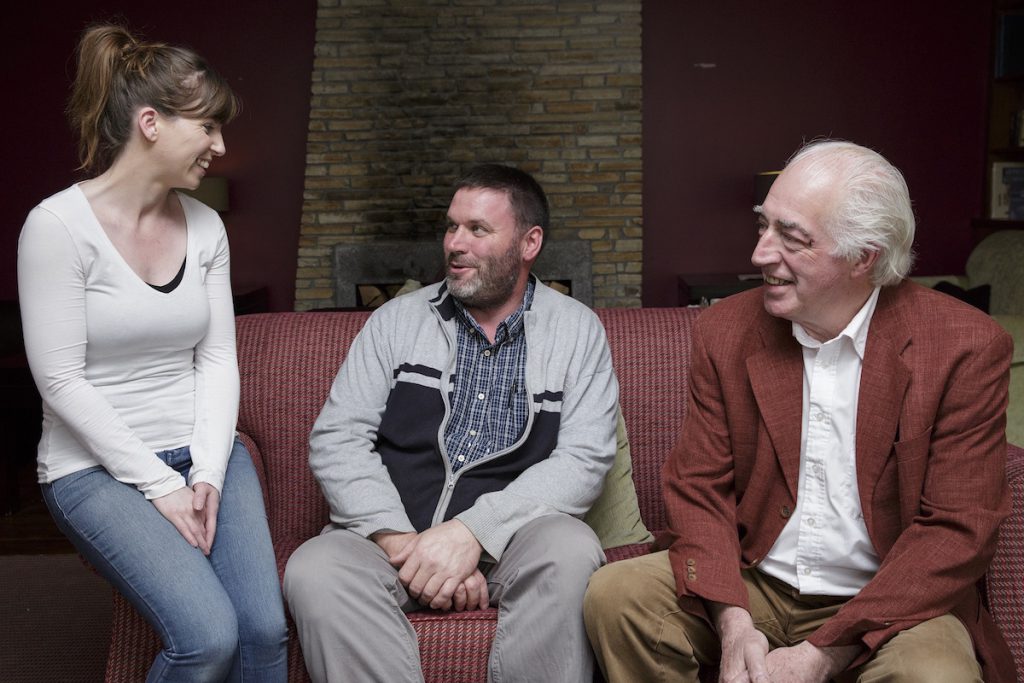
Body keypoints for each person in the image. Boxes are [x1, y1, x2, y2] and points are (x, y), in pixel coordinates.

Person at [584, 140, 1017, 683]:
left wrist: (821, 654)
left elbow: (957, 529)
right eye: (763, 226)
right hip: (754, 578)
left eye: (792, 237)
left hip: (890, 598)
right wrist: (733, 622)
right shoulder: (726, 330)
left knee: (935, 674)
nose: (760, 254)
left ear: (865, 256)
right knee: (617, 595)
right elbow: (698, 488)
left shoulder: (965, 346)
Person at [17, 24, 287, 681]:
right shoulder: (56, 227)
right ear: (150, 124)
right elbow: (60, 380)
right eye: (208, 128)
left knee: (264, 631)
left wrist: (208, 472)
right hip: (92, 469)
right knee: (207, 637)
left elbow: (217, 360)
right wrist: (162, 485)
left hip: (203, 453)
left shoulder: (206, 226)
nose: (220, 147)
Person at [284, 163, 618, 682]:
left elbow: (584, 460)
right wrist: (406, 547)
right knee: (315, 568)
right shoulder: (395, 321)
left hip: (510, 547)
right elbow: (337, 438)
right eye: (452, 226)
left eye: (477, 229)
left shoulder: (577, 331)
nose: (455, 244)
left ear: (529, 243)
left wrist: (470, 536)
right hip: (391, 543)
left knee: (571, 549)